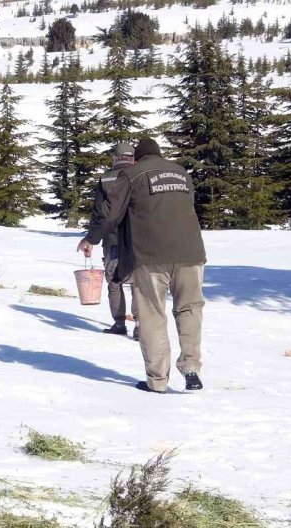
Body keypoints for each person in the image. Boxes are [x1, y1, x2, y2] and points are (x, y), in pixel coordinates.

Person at [78, 138, 206, 393]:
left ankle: (158, 380)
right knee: (190, 309)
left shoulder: (132, 174)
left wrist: (91, 238)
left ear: (137, 158)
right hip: (191, 253)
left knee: (152, 315)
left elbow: (111, 214)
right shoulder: (181, 173)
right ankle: (191, 366)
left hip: (151, 255)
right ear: (160, 155)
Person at [91, 142, 139, 339]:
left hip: (112, 239)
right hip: (138, 239)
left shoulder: (105, 179)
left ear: (115, 158)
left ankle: (119, 324)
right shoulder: (141, 175)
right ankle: (140, 327)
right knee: (139, 284)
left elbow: (98, 213)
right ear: (133, 159)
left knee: (114, 282)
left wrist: (91, 238)